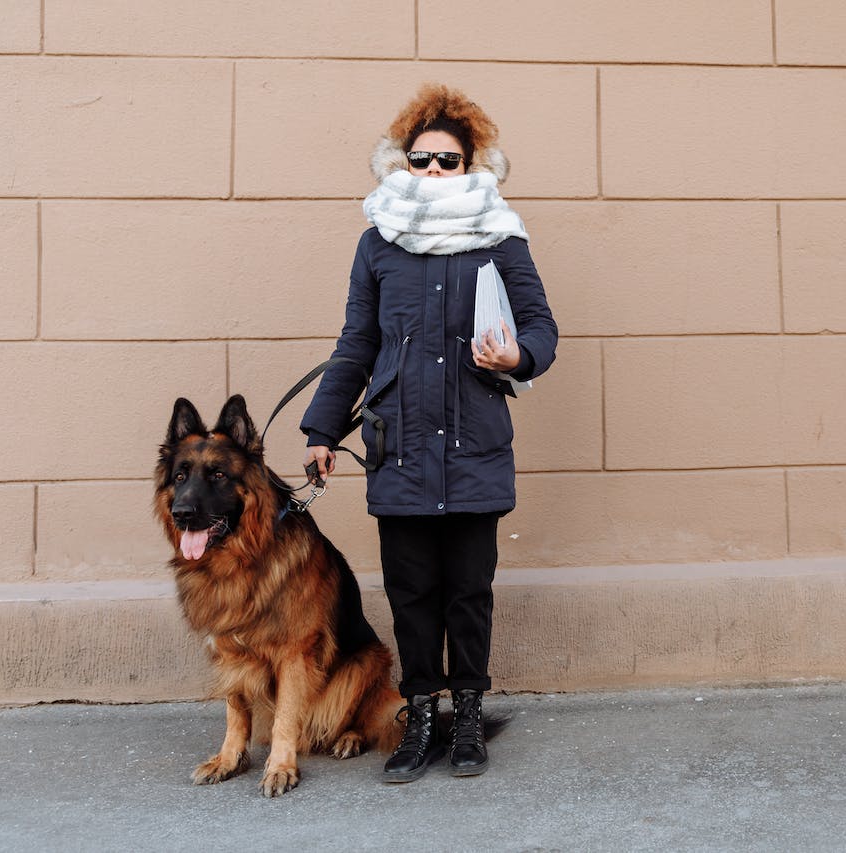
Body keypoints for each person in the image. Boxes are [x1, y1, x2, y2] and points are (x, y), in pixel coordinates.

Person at [300, 83, 557, 783]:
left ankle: (467, 714)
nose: (436, 172)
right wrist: (322, 428)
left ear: (473, 162)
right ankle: (418, 716)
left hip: (473, 445)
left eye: (449, 160)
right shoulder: (378, 242)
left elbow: (541, 327)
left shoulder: (500, 238)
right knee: (411, 591)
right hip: (401, 449)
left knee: (468, 591)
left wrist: (517, 356)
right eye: (423, 160)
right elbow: (356, 343)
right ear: (402, 162)